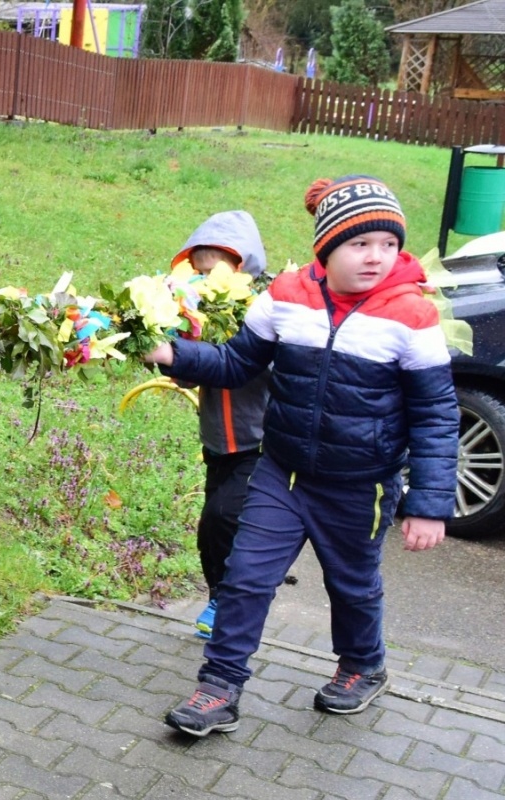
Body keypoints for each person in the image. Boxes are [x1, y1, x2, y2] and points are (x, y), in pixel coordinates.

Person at [143, 176, 458, 737]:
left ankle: (363, 665)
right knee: (245, 578)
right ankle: (219, 688)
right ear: (327, 246)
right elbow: (236, 363)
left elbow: (435, 414)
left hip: (361, 486)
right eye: (360, 244)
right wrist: (171, 353)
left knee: (352, 585)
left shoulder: (412, 315)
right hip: (281, 473)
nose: (376, 257)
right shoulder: (286, 296)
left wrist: (430, 503)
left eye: (388, 244)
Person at [169, 212, 269, 640]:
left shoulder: (266, 309)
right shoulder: (193, 310)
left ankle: (233, 600)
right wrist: (174, 344)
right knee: (210, 531)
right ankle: (219, 595)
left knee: (223, 515)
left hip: (260, 441)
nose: (206, 279)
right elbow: (187, 376)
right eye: (200, 270)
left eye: (216, 271)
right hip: (217, 440)